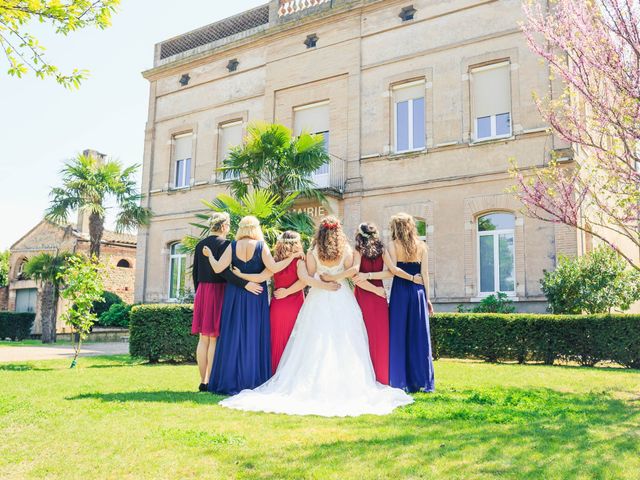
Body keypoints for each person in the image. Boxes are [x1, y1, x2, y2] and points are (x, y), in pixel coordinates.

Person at [217, 216, 413, 417]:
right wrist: (335, 279)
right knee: (344, 340)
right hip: (341, 296)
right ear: (337, 232)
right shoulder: (346, 250)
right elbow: (353, 269)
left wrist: (323, 284)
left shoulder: (312, 252)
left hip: (319, 297)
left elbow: (306, 278)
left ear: (320, 232)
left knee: (314, 340)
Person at [203, 216, 300, 395]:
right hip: (255, 295)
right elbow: (274, 268)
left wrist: (210, 257)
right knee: (253, 335)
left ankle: (228, 380)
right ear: (256, 229)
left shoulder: (233, 245)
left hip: (234, 294)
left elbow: (218, 269)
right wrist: (292, 257)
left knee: (233, 335)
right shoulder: (261, 246)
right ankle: (252, 380)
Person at [191, 212, 263, 392]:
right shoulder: (226, 244)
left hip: (202, 291)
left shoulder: (200, 245)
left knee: (203, 338)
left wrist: (198, 292)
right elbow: (225, 273)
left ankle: (203, 380)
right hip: (218, 292)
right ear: (224, 227)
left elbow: (195, 272)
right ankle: (212, 380)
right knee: (214, 339)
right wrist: (245, 284)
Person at [231, 231, 306, 373]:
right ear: (296, 243)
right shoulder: (298, 260)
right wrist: (287, 292)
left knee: (279, 338)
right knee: (284, 337)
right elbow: (304, 282)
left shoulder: (275, 262)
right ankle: (287, 373)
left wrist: (240, 274)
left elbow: (260, 277)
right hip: (289, 302)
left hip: (281, 303)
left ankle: (276, 371)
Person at [386, 213, 435, 393]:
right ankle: (421, 380)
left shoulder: (391, 246)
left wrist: (410, 278)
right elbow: (426, 274)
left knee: (399, 335)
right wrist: (428, 298)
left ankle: (400, 380)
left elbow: (393, 270)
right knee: (419, 336)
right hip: (418, 293)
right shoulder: (422, 246)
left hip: (400, 291)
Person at [352, 222, 392, 385]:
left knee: (370, 335)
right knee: (376, 335)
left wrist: (368, 275)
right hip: (377, 295)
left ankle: (376, 377)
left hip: (366, 295)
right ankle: (380, 376)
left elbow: (356, 277)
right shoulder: (382, 249)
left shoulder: (358, 250)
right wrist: (376, 289)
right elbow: (390, 272)